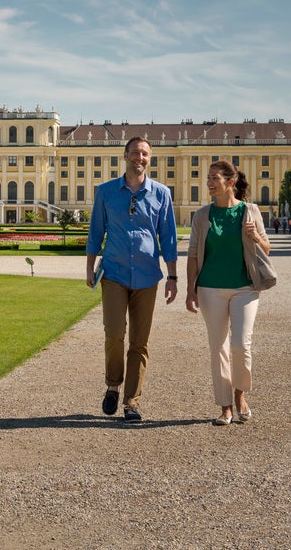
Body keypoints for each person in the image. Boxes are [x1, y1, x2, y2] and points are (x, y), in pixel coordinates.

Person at [86, 136, 179, 423]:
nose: (140, 158)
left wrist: (173, 276)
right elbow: (95, 232)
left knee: (140, 342)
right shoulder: (106, 192)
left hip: (147, 276)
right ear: (125, 156)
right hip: (113, 273)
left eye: (145, 154)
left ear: (149, 159)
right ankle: (113, 385)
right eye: (136, 153)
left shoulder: (161, 194)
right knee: (114, 333)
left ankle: (132, 403)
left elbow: (169, 238)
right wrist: (89, 268)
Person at [185, 160, 270, 426]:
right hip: (210, 288)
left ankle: (240, 394)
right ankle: (225, 407)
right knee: (217, 347)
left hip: (245, 287)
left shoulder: (251, 211)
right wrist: (191, 290)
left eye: (214, 178)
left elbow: (266, 248)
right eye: (208, 178)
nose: (209, 183)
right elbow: (193, 255)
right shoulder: (201, 215)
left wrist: (255, 236)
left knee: (240, 345)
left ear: (230, 182)